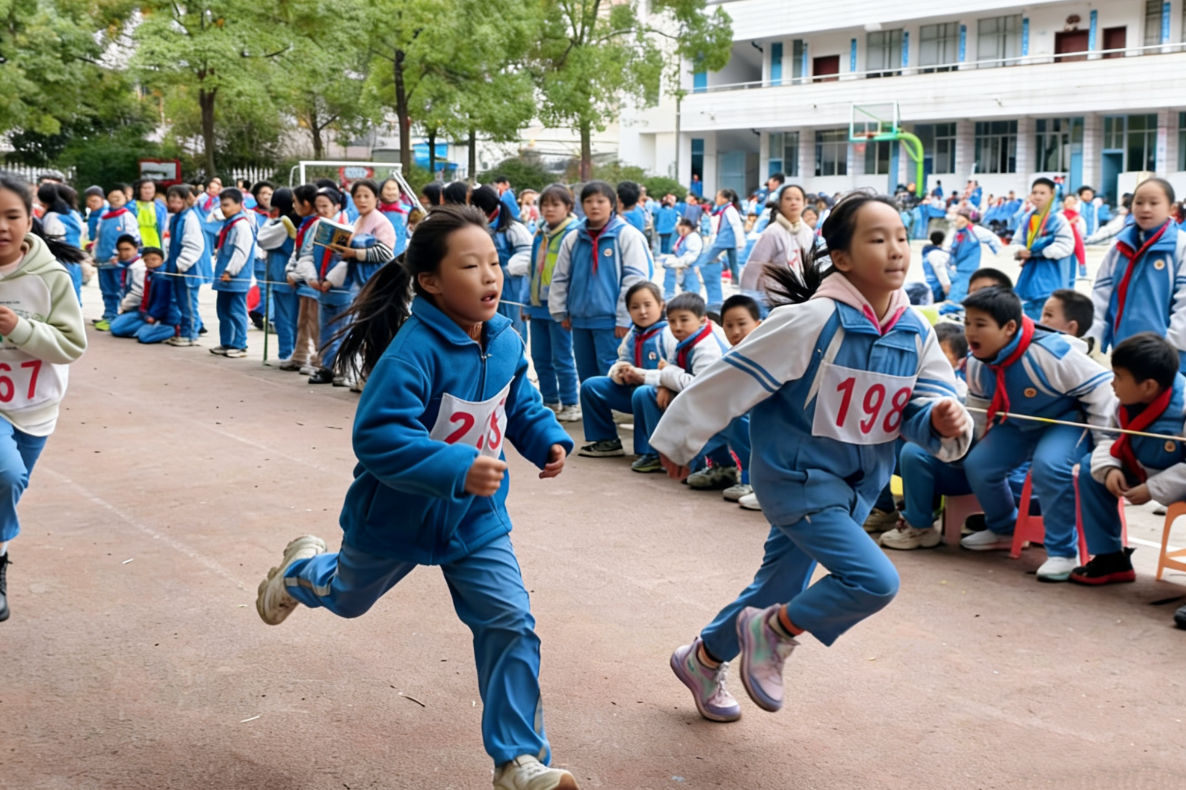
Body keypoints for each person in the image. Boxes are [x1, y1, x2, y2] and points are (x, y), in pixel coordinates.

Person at [254, 205, 579, 790]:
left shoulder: (506, 338)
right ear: (430, 281)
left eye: (494, 263)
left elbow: (519, 399)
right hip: (395, 518)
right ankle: (300, 572)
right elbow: (379, 437)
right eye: (470, 266)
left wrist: (546, 438)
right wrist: (458, 466)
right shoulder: (412, 353)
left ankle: (517, 762)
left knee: (510, 621)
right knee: (347, 598)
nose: (490, 276)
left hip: (475, 520)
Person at [650, 192, 972, 724]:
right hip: (796, 480)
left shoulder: (915, 330)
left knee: (780, 585)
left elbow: (929, 399)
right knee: (874, 581)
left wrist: (942, 419)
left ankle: (702, 660)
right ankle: (773, 632)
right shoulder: (811, 320)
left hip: (857, 487)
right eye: (878, 239)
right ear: (841, 257)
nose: (896, 249)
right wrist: (679, 440)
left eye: (900, 237)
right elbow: (731, 378)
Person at [960, 286, 1115, 581]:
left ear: (1009, 328)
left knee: (1049, 465)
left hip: (1066, 421)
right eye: (967, 323)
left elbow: (1102, 388)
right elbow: (978, 408)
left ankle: (1063, 553)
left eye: (980, 324)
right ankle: (1004, 528)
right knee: (979, 464)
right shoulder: (976, 363)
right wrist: (975, 443)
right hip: (1019, 423)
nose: (970, 332)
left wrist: (1104, 446)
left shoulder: (1050, 353)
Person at [0, 175, 88, 622]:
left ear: (29, 220)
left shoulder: (50, 276)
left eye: (11, 216)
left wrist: (19, 327)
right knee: (5, 473)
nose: (2, 226)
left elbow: (72, 345)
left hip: (35, 409)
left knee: (6, 489)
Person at [1072, 334, 1185, 588]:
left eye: (1118, 376)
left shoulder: (1183, 406)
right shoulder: (1122, 402)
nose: (1112, 383)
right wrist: (1110, 468)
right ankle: (1110, 559)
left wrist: (1154, 489)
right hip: (1141, 468)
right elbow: (1109, 438)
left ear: (1148, 386)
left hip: (1178, 482)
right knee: (1091, 469)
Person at [548, 181, 650, 382]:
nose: (594, 206)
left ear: (612, 204)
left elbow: (635, 280)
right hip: (579, 320)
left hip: (611, 321)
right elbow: (561, 276)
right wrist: (560, 311)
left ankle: (615, 405)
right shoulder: (574, 238)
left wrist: (624, 318)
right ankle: (590, 404)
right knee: (585, 374)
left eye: (601, 201)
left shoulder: (626, 235)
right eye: (588, 201)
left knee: (612, 373)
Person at [1087, 178, 1186, 373]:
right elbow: (1101, 296)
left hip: (1167, 359)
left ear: (1171, 208)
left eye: (1154, 203)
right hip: (1124, 351)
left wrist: (1168, 348)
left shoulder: (1180, 246)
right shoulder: (1119, 247)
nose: (1145, 209)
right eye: (1139, 202)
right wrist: (1094, 339)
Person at [630, 292, 728, 473]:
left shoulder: (706, 346)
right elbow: (670, 368)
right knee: (645, 393)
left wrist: (665, 376)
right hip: (691, 395)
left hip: (713, 401)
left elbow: (698, 386)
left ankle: (696, 463)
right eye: (672, 321)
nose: (677, 326)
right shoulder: (684, 340)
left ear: (701, 319)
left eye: (684, 320)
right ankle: (656, 454)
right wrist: (663, 384)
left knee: (648, 393)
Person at [578, 281, 675, 458]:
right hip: (634, 392)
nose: (642, 311)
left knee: (642, 393)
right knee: (591, 386)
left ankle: (651, 453)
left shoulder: (669, 334)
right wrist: (621, 372)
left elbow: (675, 372)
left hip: (662, 395)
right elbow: (623, 359)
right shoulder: (634, 334)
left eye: (648, 305)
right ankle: (606, 441)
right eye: (635, 307)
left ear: (661, 305)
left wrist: (643, 376)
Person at [526, 184, 581, 421]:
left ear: (568, 207)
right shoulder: (540, 232)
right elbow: (532, 269)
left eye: (555, 204)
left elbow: (575, 274)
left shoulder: (574, 234)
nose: (549, 209)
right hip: (537, 306)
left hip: (560, 307)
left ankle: (570, 402)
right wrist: (527, 302)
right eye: (545, 205)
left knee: (562, 357)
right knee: (539, 357)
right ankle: (549, 399)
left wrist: (569, 307)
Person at [704, 294, 762, 503]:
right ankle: (723, 467)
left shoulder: (767, 354)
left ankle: (752, 480)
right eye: (729, 326)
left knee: (736, 416)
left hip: (767, 423)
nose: (735, 331)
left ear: (758, 324)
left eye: (742, 324)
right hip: (744, 418)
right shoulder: (728, 358)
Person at [292, 187, 354, 383]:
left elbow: (348, 260)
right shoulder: (315, 226)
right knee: (325, 331)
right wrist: (312, 278)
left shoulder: (349, 225)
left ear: (337, 206)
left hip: (344, 289)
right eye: (318, 206)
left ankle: (344, 369)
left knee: (344, 331)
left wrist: (330, 280)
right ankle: (327, 367)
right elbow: (306, 254)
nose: (321, 210)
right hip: (321, 288)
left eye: (325, 206)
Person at [739, 184, 815, 316]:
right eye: (788, 199)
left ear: (805, 203)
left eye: (798, 199)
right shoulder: (772, 232)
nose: (793, 202)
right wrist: (747, 299)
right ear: (780, 203)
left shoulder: (808, 232)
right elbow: (754, 266)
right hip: (769, 301)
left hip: (795, 299)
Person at [471, 186, 532, 341]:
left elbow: (528, 253)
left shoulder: (513, 228)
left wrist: (508, 269)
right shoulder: (479, 228)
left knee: (514, 329)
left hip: (512, 286)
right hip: (486, 283)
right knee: (490, 326)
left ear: (481, 208)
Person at [1014, 178, 1076, 319]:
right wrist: (1019, 251)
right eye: (1034, 192)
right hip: (1030, 272)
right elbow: (1017, 241)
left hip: (1050, 272)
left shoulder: (1058, 219)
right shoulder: (1027, 218)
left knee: (1048, 309)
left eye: (1042, 193)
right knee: (1029, 309)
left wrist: (1042, 251)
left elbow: (1067, 245)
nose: (1037, 196)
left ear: (1052, 194)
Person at [256, 188, 301, 368]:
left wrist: (272, 220)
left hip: (282, 276)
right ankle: (296, 353)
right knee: (294, 318)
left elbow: (262, 239)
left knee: (285, 319)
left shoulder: (283, 224)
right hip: (292, 275)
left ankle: (288, 353)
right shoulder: (297, 221)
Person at [162, 185, 210, 348]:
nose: (173, 203)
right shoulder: (176, 218)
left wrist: (181, 264)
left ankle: (190, 334)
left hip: (188, 270)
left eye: (177, 199)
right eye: (171, 199)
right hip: (178, 269)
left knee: (189, 303)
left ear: (184, 200)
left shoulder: (190, 217)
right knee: (182, 303)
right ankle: (184, 331)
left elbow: (194, 244)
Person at [209, 187, 255, 358]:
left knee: (236, 310)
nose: (223, 209)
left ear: (239, 204)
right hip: (223, 277)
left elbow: (241, 252)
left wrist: (230, 271)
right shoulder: (229, 223)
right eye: (221, 205)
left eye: (227, 205)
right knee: (223, 310)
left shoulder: (242, 225)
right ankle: (226, 342)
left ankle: (240, 344)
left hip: (235, 277)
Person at [285, 185, 324, 376]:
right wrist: (290, 269)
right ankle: (300, 355)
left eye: (295, 201)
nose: (294, 206)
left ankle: (319, 359)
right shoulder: (305, 224)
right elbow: (298, 251)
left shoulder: (318, 224)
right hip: (303, 280)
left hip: (313, 280)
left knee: (314, 322)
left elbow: (310, 255)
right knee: (303, 320)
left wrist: (296, 273)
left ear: (307, 203)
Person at [335, 179, 396, 294]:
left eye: (366, 196)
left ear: (376, 198)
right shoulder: (358, 220)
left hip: (377, 284)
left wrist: (354, 253)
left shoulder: (381, 222)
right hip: (360, 283)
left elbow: (386, 253)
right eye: (358, 196)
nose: (362, 200)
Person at [92, 185, 140, 330]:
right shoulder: (103, 216)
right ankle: (109, 314)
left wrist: (121, 255)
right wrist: (95, 254)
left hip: (118, 262)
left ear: (125, 198)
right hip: (103, 260)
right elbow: (98, 237)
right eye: (113, 195)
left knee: (119, 289)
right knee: (106, 290)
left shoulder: (127, 216)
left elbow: (132, 237)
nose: (115, 199)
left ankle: (119, 316)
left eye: (119, 196)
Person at [109, 246, 176, 344]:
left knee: (145, 337)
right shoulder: (149, 273)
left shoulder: (162, 276)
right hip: (144, 312)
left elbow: (162, 300)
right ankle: (147, 328)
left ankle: (172, 330)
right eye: (146, 260)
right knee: (116, 328)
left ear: (162, 260)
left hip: (161, 316)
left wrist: (152, 316)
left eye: (154, 259)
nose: (150, 262)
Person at [699, 189, 746, 314]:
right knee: (733, 262)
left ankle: (699, 273)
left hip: (725, 240)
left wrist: (740, 242)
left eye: (719, 197)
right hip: (725, 239)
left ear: (725, 199)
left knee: (708, 257)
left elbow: (737, 227)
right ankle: (736, 281)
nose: (717, 199)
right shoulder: (722, 209)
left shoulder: (730, 210)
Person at [37, 183, 84, 301]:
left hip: (60, 259)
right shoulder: (74, 214)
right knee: (74, 291)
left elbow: (50, 239)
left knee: (60, 294)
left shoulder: (52, 217)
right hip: (74, 258)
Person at [946, 209, 1002, 304]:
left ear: (967, 219)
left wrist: (997, 251)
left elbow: (992, 238)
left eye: (960, 217)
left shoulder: (975, 230)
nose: (957, 219)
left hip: (969, 267)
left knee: (960, 291)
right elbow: (951, 248)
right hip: (958, 266)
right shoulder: (958, 232)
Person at [661, 217, 703, 300]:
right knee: (684, 288)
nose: (681, 232)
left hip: (690, 266)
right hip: (683, 266)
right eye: (679, 230)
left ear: (689, 227)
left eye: (683, 230)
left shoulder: (693, 237)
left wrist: (680, 262)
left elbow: (693, 255)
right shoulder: (683, 237)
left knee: (691, 290)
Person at [130, 178, 167, 250]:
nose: (148, 191)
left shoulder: (159, 206)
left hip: (155, 239)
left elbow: (163, 226)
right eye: (145, 188)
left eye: (150, 188)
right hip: (137, 239)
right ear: (138, 190)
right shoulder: (131, 206)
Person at [378, 177, 411, 256]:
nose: (391, 192)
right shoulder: (375, 211)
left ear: (399, 192)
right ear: (380, 192)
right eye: (388, 189)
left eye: (394, 189)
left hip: (399, 257)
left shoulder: (407, 212)